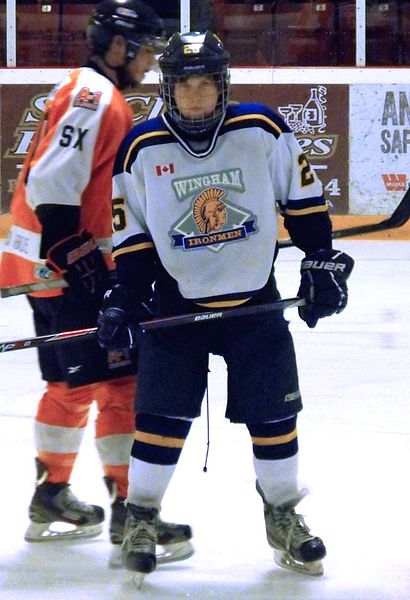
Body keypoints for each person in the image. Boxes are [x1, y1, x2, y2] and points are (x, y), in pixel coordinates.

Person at [97, 30, 354, 580]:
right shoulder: (142, 147)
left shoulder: (260, 128)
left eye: (204, 83)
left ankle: (283, 515)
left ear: (222, 85)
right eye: (184, 84)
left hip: (254, 304)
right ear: (168, 89)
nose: (194, 96)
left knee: (274, 415)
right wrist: (125, 294)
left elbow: (304, 201)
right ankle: (141, 515)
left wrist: (320, 259)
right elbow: (134, 236)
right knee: (160, 419)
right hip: (175, 306)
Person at [0, 0, 193, 562]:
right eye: (148, 48)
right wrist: (83, 261)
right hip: (64, 267)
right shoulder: (96, 97)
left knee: (68, 385)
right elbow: (50, 186)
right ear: (118, 47)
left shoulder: (87, 90)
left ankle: (52, 495)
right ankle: (131, 515)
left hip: (38, 265)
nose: (153, 60)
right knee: (120, 386)